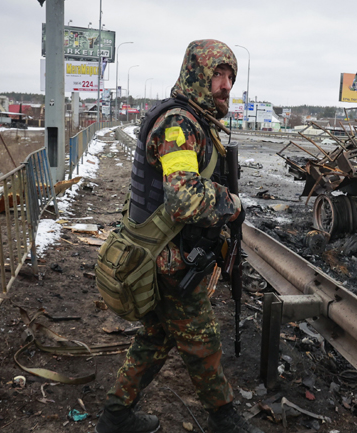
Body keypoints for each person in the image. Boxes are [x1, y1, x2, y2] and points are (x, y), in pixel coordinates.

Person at [96, 39, 262, 433]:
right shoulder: (179, 125)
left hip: (162, 254)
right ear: (196, 76)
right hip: (166, 259)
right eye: (218, 75)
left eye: (230, 77)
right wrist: (233, 203)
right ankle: (224, 418)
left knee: (157, 337)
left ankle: (115, 416)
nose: (225, 85)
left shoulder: (193, 121)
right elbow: (184, 199)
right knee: (201, 339)